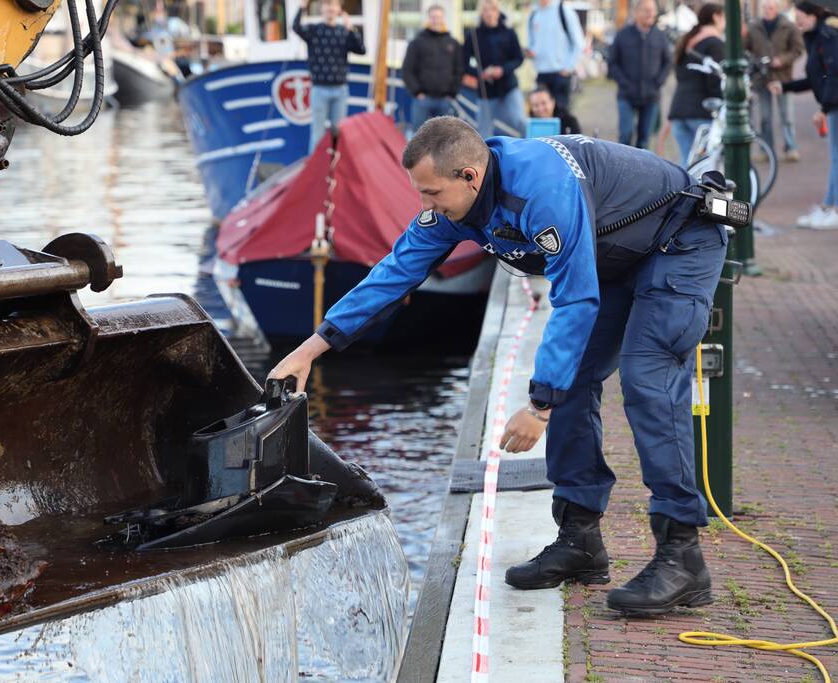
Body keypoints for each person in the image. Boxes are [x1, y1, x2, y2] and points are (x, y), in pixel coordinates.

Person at [269, 116, 726, 616]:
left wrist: (539, 406)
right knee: (571, 380)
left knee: (648, 381)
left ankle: (682, 554)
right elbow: (394, 272)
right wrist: (311, 348)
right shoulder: (452, 205)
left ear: (470, 176)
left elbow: (573, 301)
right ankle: (580, 539)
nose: (426, 207)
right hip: (616, 257)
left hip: (678, 241)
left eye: (432, 193)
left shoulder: (542, 192)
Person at [771, 2, 838, 229]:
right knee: (835, 158)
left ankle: (833, 210)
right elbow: (815, 79)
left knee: (836, 158)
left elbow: (834, 74)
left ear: (812, 16)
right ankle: (829, 206)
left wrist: (824, 108)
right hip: (832, 105)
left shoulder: (827, 34)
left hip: (834, 105)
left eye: (799, 17)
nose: (796, 22)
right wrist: (785, 86)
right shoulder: (814, 36)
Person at [292, 0, 366, 153]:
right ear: (322, 8)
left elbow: (361, 50)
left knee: (338, 133)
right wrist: (302, 7)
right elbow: (296, 27)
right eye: (327, 4)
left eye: (333, 5)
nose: (330, 8)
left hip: (340, 90)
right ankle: (315, 171)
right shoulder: (313, 30)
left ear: (338, 9)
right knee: (317, 134)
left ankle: (335, 169)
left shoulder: (344, 32)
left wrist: (351, 28)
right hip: (319, 89)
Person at [607, 0, 673, 148]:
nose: (650, 14)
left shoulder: (660, 36)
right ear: (636, 13)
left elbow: (668, 62)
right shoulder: (622, 35)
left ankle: (640, 170)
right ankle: (622, 168)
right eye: (646, 10)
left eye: (652, 10)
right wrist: (624, 83)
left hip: (651, 96)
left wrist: (658, 82)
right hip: (626, 95)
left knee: (644, 139)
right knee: (626, 134)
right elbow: (612, 63)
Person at [667, 3, 725, 165]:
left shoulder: (688, 42)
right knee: (705, 165)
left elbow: (681, 75)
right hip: (701, 111)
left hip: (679, 110)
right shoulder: (714, 43)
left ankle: (682, 190)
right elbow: (716, 79)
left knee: (687, 163)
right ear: (716, 17)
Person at [746, 0, 805, 162]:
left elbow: (798, 49)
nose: (767, 11)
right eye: (764, 8)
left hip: (782, 78)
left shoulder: (789, 26)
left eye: (770, 8)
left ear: (777, 9)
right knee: (764, 117)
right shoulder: (754, 26)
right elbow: (746, 48)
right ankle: (766, 150)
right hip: (761, 79)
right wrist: (755, 61)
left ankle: (791, 148)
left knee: (786, 116)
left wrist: (782, 60)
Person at [462, 0, 526, 137]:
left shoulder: (509, 33)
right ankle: (487, 158)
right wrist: (481, 73)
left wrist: (503, 70)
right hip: (486, 91)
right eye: (485, 10)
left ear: (498, 12)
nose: (489, 14)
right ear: (481, 13)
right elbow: (463, 64)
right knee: (484, 131)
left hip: (509, 87)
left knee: (520, 121)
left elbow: (519, 58)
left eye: (492, 10)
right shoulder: (472, 35)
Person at [403, 5, 463, 132]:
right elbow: (407, 69)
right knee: (418, 138)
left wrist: (452, 93)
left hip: (445, 100)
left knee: (444, 138)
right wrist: (417, 92)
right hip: (423, 100)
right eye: (433, 17)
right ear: (428, 19)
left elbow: (459, 69)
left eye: (439, 17)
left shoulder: (453, 43)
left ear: (443, 19)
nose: (436, 20)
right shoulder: (417, 42)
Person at [526, 0, 585, 109]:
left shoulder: (564, 10)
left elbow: (579, 43)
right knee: (541, 116)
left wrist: (568, 67)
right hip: (541, 74)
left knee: (561, 114)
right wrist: (530, 53)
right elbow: (532, 44)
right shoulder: (534, 14)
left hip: (560, 74)